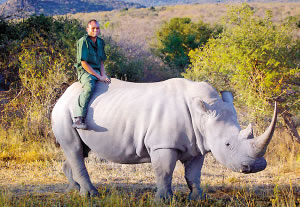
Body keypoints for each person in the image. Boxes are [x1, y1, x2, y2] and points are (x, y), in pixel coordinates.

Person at [72, 19, 111, 130]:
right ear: (87, 29)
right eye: (93, 28)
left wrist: (103, 75)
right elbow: (84, 63)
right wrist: (98, 77)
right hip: (85, 71)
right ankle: (78, 118)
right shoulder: (83, 41)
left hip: (97, 70)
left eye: (97, 28)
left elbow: (101, 61)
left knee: (109, 83)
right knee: (89, 87)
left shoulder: (100, 42)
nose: (95, 30)